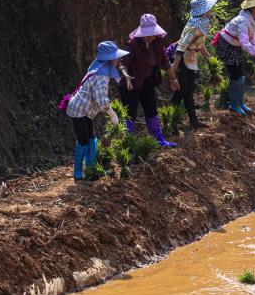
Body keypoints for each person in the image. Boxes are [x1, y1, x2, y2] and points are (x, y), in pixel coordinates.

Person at [65, 41, 128, 180]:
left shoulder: (100, 67)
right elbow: (101, 101)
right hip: (79, 109)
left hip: (85, 109)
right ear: (109, 59)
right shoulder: (101, 75)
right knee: (83, 140)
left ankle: (91, 168)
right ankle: (78, 172)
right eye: (115, 57)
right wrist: (112, 114)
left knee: (91, 136)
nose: (118, 60)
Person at [122, 14, 179, 147]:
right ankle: (126, 144)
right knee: (130, 112)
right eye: (147, 34)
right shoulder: (132, 45)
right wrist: (126, 76)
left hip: (147, 82)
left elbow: (165, 63)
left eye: (152, 34)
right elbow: (122, 63)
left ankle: (158, 140)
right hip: (131, 84)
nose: (150, 36)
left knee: (151, 110)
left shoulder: (157, 43)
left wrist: (173, 79)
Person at [213, 0, 255, 115]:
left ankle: (239, 102)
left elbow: (253, 37)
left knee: (241, 74)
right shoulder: (243, 20)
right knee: (235, 74)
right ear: (252, 7)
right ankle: (233, 104)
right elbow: (244, 42)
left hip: (235, 44)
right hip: (225, 45)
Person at [171, 0, 217, 128]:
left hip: (191, 59)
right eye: (210, 9)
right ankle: (171, 120)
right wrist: (174, 67)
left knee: (187, 91)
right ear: (203, 11)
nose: (211, 10)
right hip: (184, 61)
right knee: (181, 92)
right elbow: (182, 46)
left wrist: (209, 59)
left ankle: (192, 120)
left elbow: (199, 45)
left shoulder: (200, 23)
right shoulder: (194, 27)